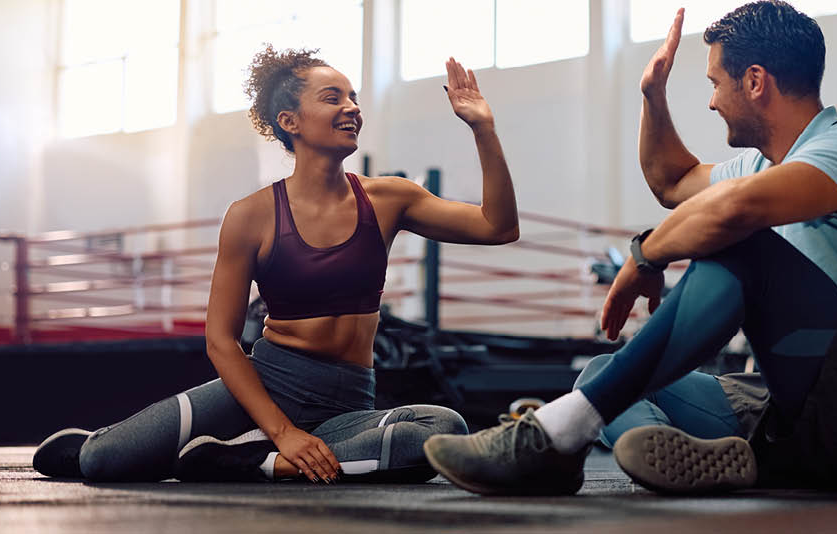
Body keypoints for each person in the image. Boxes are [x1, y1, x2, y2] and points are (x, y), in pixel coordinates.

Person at [423, 1, 837, 495]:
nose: (710, 102)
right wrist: (651, 97)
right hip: (800, 411)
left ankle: (554, 435)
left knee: (741, 243)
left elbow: (732, 213)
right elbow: (672, 181)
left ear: (755, 81)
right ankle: (720, 461)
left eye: (714, 83)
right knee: (603, 378)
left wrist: (644, 256)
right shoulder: (760, 167)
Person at [32, 46, 520, 484]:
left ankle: (251, 463)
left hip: (348, 405)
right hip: (266, 386)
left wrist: (484, 128)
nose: (352, 108)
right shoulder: (251, 216)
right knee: (102, 464)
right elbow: (221, 340)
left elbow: (497, 227)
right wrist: (283, 430)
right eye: (333, 98)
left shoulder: (390, 198)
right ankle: (108, 441)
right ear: (290, 121)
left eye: (353, 98)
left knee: (441, 430)